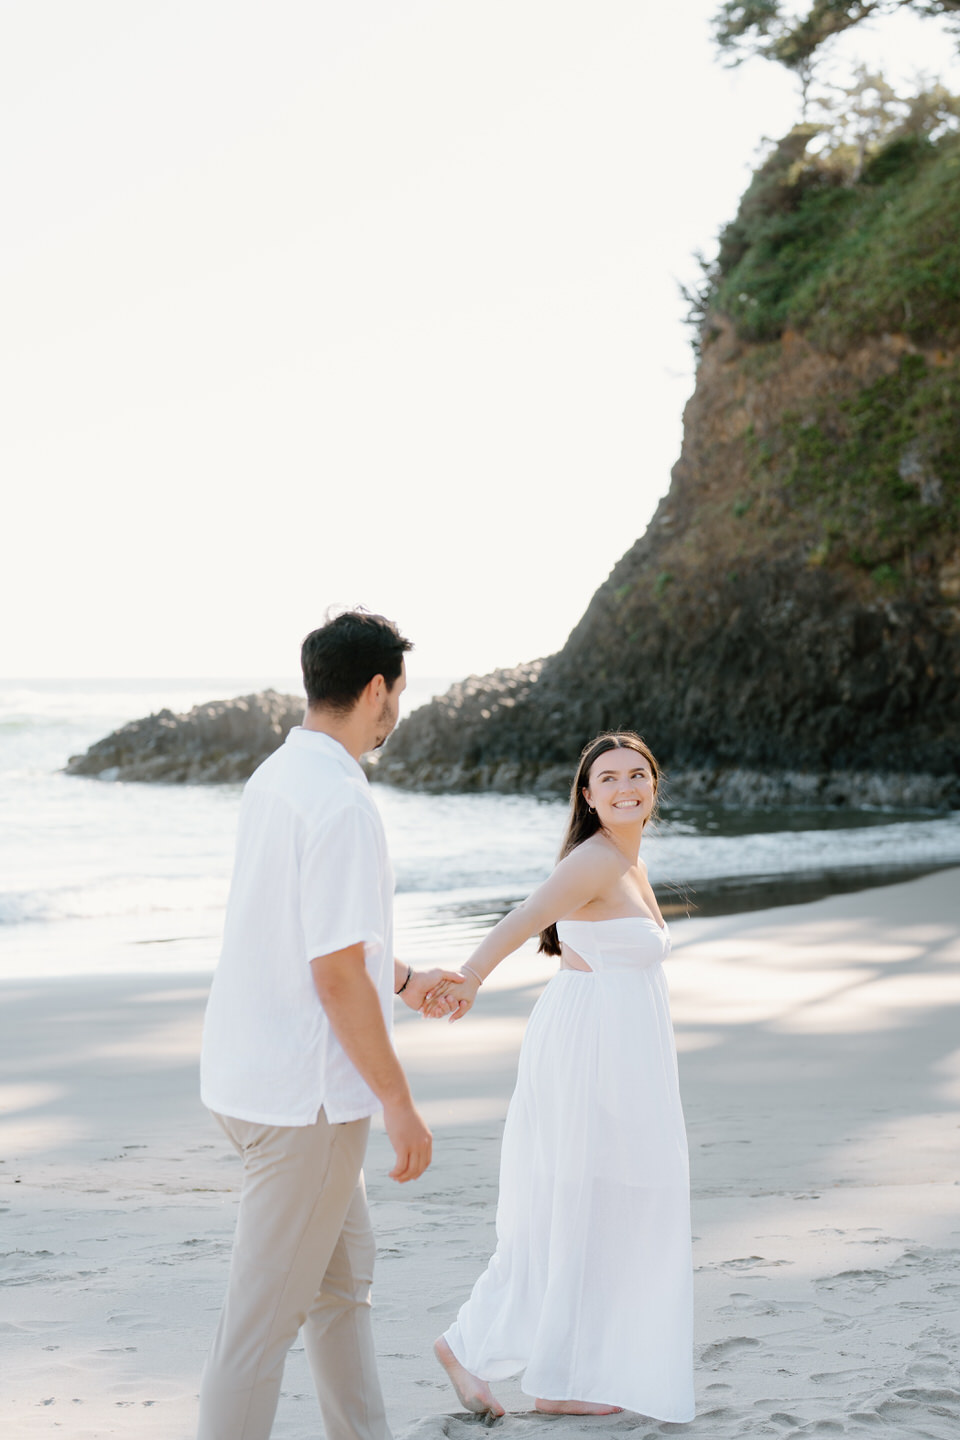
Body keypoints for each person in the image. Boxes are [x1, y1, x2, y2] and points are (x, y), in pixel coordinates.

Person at [197, 609, 458, 1440]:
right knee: (258, 1333)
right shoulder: (342, 800)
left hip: (251, 1079)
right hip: (302, 1106)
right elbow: (337, 971)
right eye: (398, 697)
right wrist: (399, 1101)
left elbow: (317, 936)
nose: (396, 714)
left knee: (343, 1290)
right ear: (376, 689)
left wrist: (408, 979)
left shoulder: (277, 773)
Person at [426, 732, 695, 1423]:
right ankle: (476, 1349)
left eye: (638, 775)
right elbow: (526, 915)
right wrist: (471, 978)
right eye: (609, 778)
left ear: (654, 787)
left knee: (608, 1205)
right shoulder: (597, 859)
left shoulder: (630, 862)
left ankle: (556, 1375)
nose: (626, 786)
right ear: (588, 794)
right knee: (579, 1204)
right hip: (589, 1053)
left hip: (622, 1049)